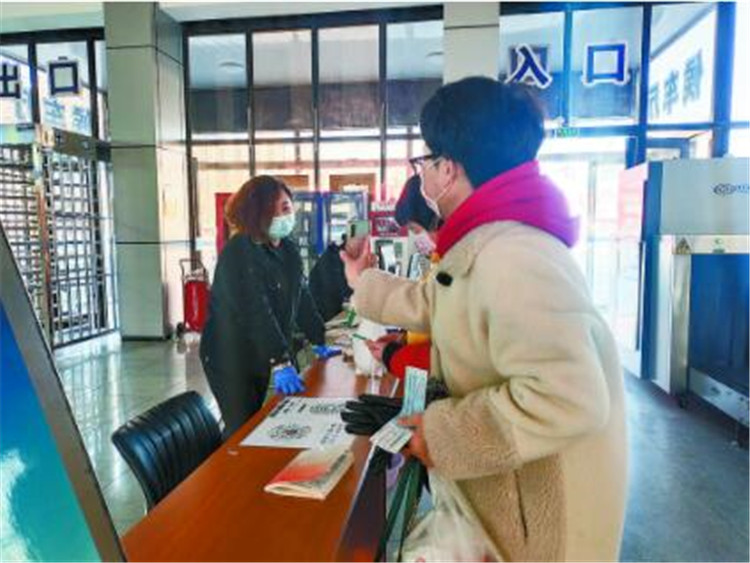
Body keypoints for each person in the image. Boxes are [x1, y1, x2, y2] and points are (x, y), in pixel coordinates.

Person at [341, 78, 627, 561]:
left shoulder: (515, 256)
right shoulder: (491, 242)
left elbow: (567, 398)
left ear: (447, 168)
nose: (423, 174)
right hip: (508, 507)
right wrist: (363, 281)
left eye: (425, 161)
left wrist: (438, 433)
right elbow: (439, 301)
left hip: (534, 527)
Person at [200, 175, 327, 436]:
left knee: (259, 418)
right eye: (281, 208)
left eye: (289, 207)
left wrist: (319, 337)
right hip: (229, 355)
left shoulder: (288, 249)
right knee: (242, 427)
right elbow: (256, 311)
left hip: (260, 350)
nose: (288, 215)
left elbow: (301, 297)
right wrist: (280, 360)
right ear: (259, 212)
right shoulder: (239, 251)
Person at [308, 234, 368, 322]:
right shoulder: (333, 260)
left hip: (331, 311)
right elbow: (347, 291)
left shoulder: (339, 256)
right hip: (324, 315)